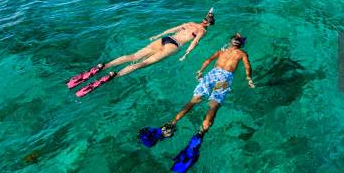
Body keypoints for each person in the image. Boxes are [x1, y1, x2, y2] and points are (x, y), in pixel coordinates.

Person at [67, 8, 215, 97]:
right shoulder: (201, 31)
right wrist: (185, 55)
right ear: (209, 24)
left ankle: (104, 66)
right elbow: (194, 43)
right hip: (174, 45)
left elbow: (171, 29)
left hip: (166, 38)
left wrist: (157, 36)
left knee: (134, 56)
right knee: (142, 63)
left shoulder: (190, 23)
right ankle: (115, 75)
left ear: (203, 19)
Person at [168, 33, 255, 135]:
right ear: (241, 45)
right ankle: (202, 131)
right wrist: (249, 79)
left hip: (212, 74)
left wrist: (200, 71)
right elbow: (247, 67)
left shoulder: (221, 51)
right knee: (213, 105)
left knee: (194, 100)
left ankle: (172, 123)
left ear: (230, 42)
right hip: (225, 77)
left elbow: (208, 60)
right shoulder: (242, 54)